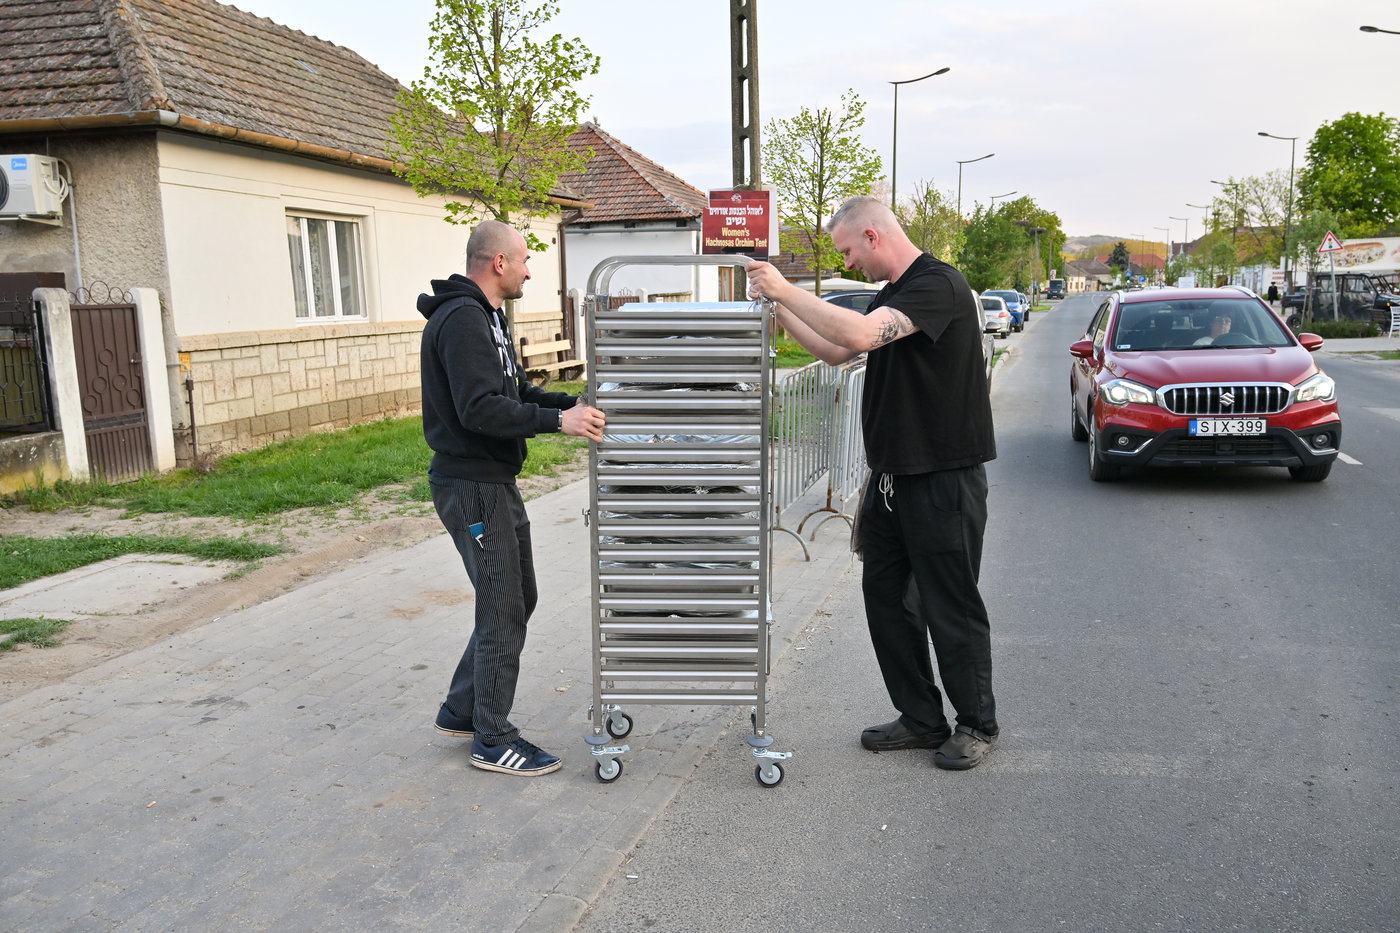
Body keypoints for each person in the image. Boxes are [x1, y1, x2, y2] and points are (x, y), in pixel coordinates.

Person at [746, 196, 999, 770]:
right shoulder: (893, 294)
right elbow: (837, 352)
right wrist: (777, 307)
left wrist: (786, 288)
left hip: (943, 479)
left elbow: (859, 336)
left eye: (848, 251)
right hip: (892, 479)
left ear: (873, 235)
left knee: (949, 605)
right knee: (887, 601)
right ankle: (920, 718)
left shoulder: (939, 285)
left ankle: (977, 724)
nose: (849, 263)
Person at [417, 220, 606, 777]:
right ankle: (491, 735)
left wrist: (572, 402)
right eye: (525, 259)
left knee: (517, 597)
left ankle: (461, 708)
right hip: (471, 486)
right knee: (502, 608)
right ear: (498, 263)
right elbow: (479, 409)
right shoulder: (462, 321)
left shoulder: (489, 318)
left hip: (492, 482)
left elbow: (514, 393)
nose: (530, 269)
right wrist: (558, 423)